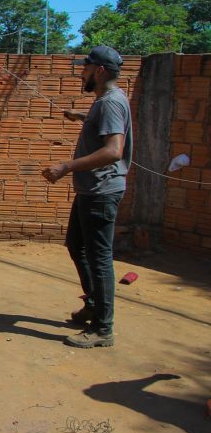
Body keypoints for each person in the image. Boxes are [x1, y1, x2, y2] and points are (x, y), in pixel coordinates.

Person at [42, 45, 132, 349]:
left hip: (101, 192)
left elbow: (113, 151)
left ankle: (103, 329)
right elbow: (106, 130)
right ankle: (94, 304)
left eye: (86, 67)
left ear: (100, 71)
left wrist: (66, 166)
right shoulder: (104, 102)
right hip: (91, 190)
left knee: (99, 258)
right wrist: (82, 117)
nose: (82, 72)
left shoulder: (109, 103)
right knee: (76, 245)